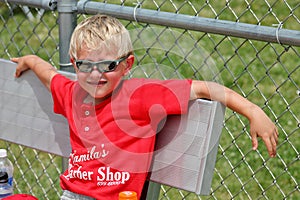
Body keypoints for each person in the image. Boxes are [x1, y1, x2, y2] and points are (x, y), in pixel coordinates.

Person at [11, 14, 278, 200]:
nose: (95, 75)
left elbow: (205, 88)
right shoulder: (73, 94)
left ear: (127, 65)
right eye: (85, 66)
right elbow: (50, 75)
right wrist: (32, 60)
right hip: (72, 195)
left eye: (108, 66)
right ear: (75, 63)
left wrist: (254, 112)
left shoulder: (141, 96)